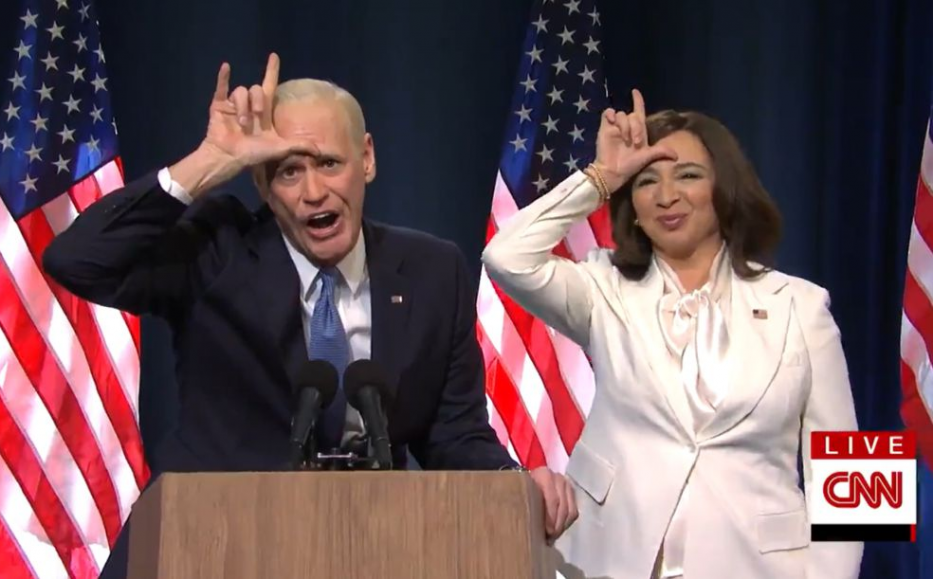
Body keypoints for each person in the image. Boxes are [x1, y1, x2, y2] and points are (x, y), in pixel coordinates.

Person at [43, 54, 577, 577]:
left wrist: (515, 482)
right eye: (287, 171)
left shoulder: (432, 272)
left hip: (368, 548)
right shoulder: (215, 252)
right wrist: (207, 162)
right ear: (259, 184)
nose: (313, 192)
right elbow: (77, 259)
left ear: (366, 158)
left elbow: (453, 434)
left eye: (328, 163)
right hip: (208, 546)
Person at [482, 90, 863, 579]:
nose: (666, 196)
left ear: (725, 188)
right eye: (646, 181)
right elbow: (505, 257)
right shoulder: (602, 288)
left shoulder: (802, 305)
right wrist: (601, 176)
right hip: (610, 563)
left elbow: (853, 464)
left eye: (688, 175)